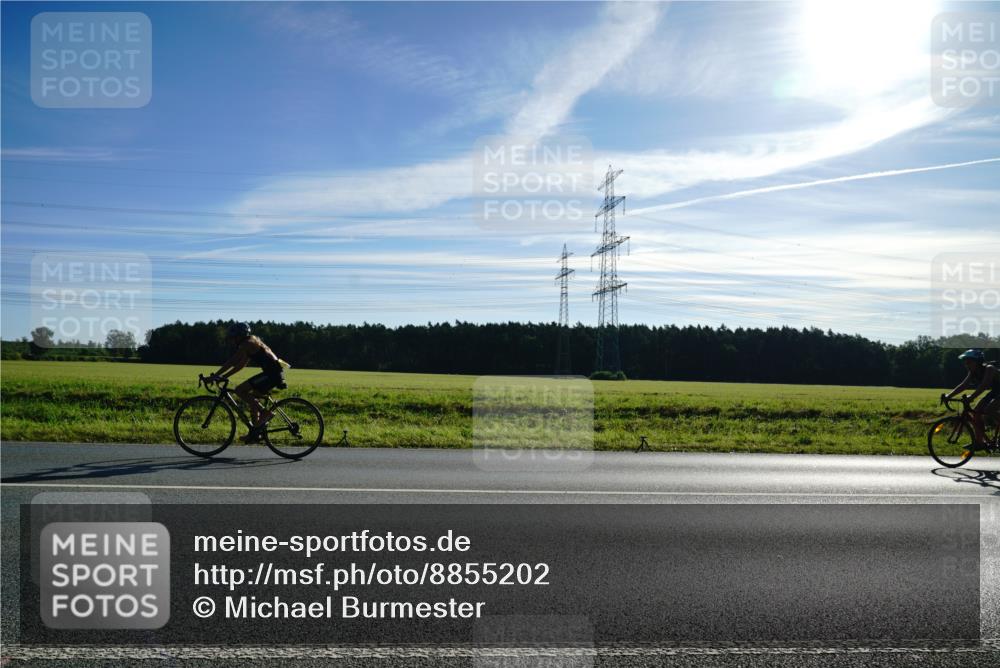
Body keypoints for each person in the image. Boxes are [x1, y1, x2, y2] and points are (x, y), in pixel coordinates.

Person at [209, 322, 288, 442]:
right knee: (252, 399)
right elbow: (240, 365)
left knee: (239, 390)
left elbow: (232, 361)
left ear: (240, 335)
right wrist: (224, 376)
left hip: (271, 374)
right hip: (273, 373)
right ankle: (255, 432)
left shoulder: (247, 344)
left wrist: (216, 375)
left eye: (234, 337)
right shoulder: (252, 342)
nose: (232, 340)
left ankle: (265, 413)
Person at [942, 349, 1000, 448]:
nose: (966, 365)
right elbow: (963, 385)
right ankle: (979, 442)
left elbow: (984, 385)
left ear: (978, 362)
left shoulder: (989, 368)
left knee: (989, 409)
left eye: (969, 362)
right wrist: (949, 396)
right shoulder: (973, 372)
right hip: (996, 391)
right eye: (965, 363)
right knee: (976, 412)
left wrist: (972, 397)